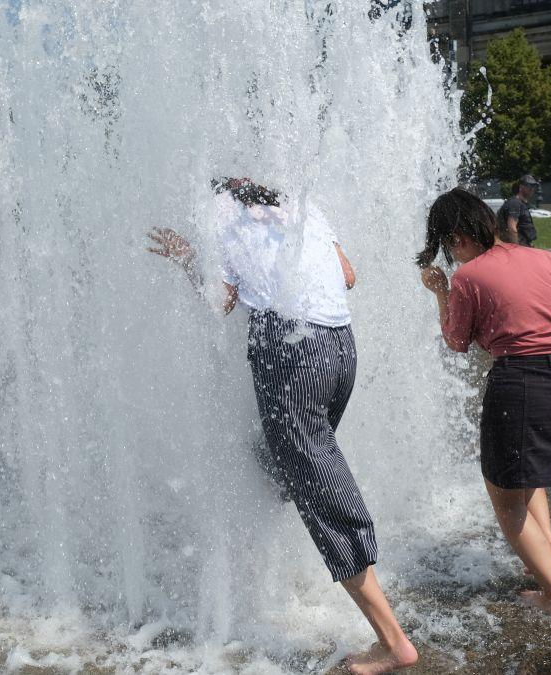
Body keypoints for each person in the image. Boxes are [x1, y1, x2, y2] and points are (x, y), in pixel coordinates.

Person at [149, 178, 419, 674]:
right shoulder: (302, 206)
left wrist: (189, 258)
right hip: (340, 349)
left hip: (291, 352)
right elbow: (349, 275)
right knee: (276, 461)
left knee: (320, 489)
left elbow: (219, 301)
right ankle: (267, 561)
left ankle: (393, 642)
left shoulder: (219, 213)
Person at [417, 188, 551, 618]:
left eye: (448, 247)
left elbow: (456, 341)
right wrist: (550, 325)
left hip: (519, 387)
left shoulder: (469, 276)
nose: (452, 256)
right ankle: (546, 547)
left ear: (456, 237)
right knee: (530, 476)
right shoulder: (544, 259)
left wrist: (440, 291)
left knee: (505, 498)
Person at [496, 174, 538, 246]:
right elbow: (512, 228)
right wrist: (516, 249)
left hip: (525, 245)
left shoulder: (521, 204)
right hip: (519, 246)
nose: (532, 189)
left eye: (533, 186)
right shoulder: (515, 203)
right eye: (529, 186)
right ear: (521, 187)